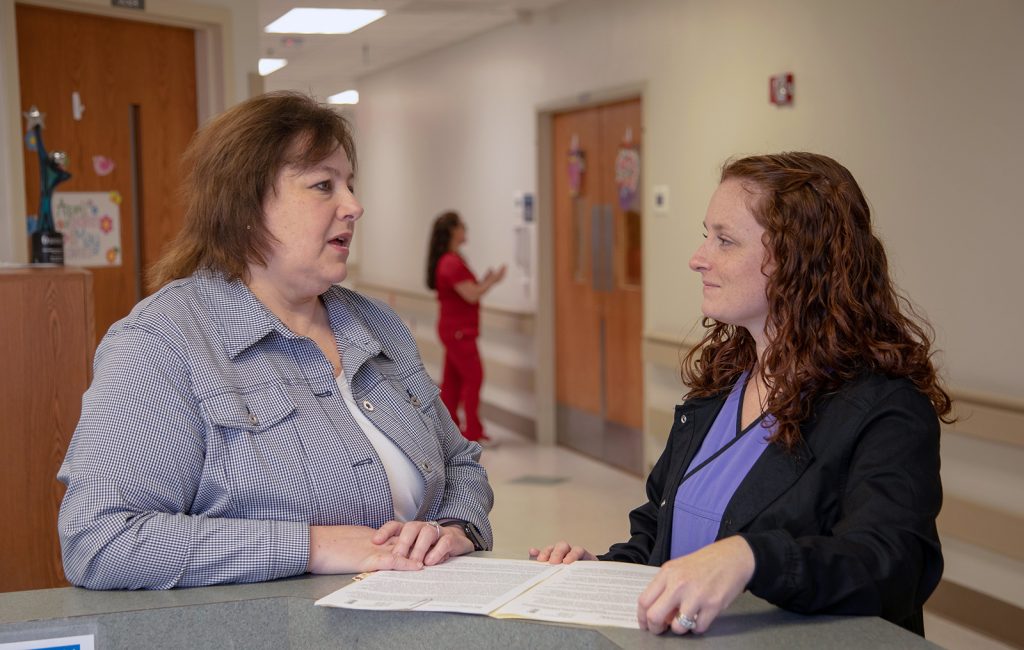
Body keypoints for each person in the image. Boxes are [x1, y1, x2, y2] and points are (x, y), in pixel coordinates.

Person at [57, 91, 493, 590]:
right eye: (323, 185)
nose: (354, 206)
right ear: (247, 202)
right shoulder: (161, 342)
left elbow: (460, 461)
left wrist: (457, 529)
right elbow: (100, 542)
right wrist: (312, 545)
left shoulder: (378, 326)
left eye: (350, 185)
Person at [531, 152, 951, 637]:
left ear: (800, 260)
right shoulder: (722, 384)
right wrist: (601, 574)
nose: (698, 257)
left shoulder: (884, 407)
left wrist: (751, 557)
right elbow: (656, 531)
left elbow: (892, 564)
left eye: (724, 240)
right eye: (706, 234)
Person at [425, 211, 505, 444]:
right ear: (452, 231)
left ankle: (452, 431)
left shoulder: (453, 259)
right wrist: (491, 281)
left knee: (452, 382)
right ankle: (472, 431)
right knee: (474, 378)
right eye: (462, 226)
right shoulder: (450, 262)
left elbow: (467, 291)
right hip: (459, 332)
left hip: (454, 330)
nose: (465, 230)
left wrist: (485, 282)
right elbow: (470, 295)